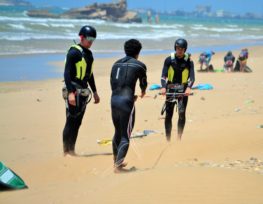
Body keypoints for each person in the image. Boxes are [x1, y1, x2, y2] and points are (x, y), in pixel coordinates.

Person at [110, 39, 147, 173]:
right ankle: (118, 167)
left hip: (114, 100)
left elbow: (114, 84)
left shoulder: (115, 64)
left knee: (117, 132)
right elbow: (143, 83)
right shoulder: (140, 65)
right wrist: (141, 93)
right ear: (138, 52)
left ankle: (116, 161)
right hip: (127, 102)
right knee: (126, 135)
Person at [62, 25, 100, 156]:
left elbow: (90, 74)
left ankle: (72, 150)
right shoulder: (74, 52)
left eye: (93, 39)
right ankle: (66, 152)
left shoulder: (89, 54)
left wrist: (95, 92)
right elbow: (66, 74)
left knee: (78, 122)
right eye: (88, 38)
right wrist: (71, 93)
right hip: (73, 89)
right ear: (81, 37)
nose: (90, 41)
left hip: (84, 91)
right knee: (70, 120)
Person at [161, 38, 195, 141]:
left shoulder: (189, 61)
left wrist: (189, 87)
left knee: (181, 114)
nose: (179, 50)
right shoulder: (169, 60)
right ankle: (168, 139)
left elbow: (192, 78)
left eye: (181, 49)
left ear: (185, 50)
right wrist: (163, 87)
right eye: (177, 48)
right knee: (169, 115)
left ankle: (179, 138)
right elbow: (163, 76)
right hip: (170, 88)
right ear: (175, 48)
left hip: (183, 89)